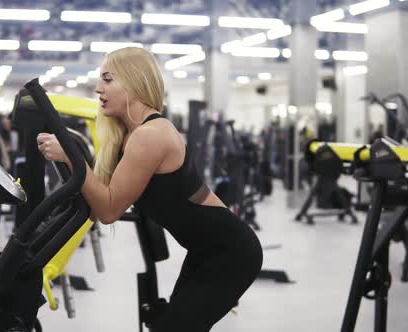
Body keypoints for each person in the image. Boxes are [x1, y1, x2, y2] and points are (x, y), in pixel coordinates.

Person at [37, 47, 263, 332]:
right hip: (206, 251)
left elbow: (108, 210)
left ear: (135, 82)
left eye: (107, 79)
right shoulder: (129, 136)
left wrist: (72, 157)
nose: (98, 88)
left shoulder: (151, 135)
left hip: (231, 253)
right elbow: (97, 207)